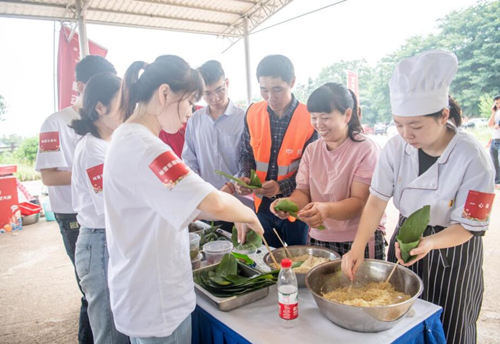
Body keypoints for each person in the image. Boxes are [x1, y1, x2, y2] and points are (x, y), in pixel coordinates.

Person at [104, 55, 265, 344]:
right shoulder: (145, 147)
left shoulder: (128, 137)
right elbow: (211, 202)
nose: (191, 112)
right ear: (165, 93)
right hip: (157, 301)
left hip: (145, 291)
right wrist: (248, 215)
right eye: (190, 101)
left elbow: (183, 203)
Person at [342, 50, 495, 344]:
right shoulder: (396, 148)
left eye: (416, 126)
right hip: (405, 239)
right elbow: (376, 199)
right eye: (399, 124)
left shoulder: (473, 157)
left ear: (444, 115)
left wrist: (431, 242)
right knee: (399, 320)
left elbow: (470, 226)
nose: (406, 134)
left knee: (449, 321)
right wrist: (357, 247)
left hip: (452, 249)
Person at [35, 55, 116, 344]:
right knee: (92, 292)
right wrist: (89, 177)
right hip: (74, 215)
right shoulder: (55, 123)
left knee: (104, 292)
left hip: (101, 213)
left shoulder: (107, 127)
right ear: (81, 86)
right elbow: (49, 176)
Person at [270, 82, 385, 258]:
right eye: (314, 117)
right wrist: (287, 205)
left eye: (325, 117)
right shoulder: (312, 150)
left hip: (358, 240)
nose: (318, 124)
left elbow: (360, 202)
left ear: (347, 115)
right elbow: (303, 192)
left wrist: (327, 210)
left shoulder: (366, 150)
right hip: (319, 238)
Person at [70, 73, 128, 344]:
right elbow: (110, 207)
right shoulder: (93, 149)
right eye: (122, 103)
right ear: (100, 107)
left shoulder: (107, 142)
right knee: (109, 330)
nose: (127, 110)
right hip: (99, 242)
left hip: (108, 239)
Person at [236, 54, 318, 247]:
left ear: (292, 82)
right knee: (268, 259)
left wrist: (282, 186)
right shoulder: (253, 112)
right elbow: (245, 153)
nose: (270, 97)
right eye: (264, 90)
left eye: (277, 89)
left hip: (295, 206)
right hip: (262, 206)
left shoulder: (311, 118)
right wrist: (245, 176)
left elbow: (312, 169)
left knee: (298, 260)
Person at [182, 60, 252, 232]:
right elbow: (189, 160)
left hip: (239, 204)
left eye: (220, 90)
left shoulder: (244, 118)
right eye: (207, 93)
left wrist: (229, 187)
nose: (215, 98)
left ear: (227, 83)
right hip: (208, 204)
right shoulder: (195, 120)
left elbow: (250, 159)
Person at [487, 94, 500, 186]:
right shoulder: (497, 113)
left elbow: (496, 126)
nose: (498, 105)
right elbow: (490, 124)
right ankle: (497, 181)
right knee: (494, 162)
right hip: (494, 140)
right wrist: (493, 112)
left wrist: (494, 126)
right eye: (497, 103)